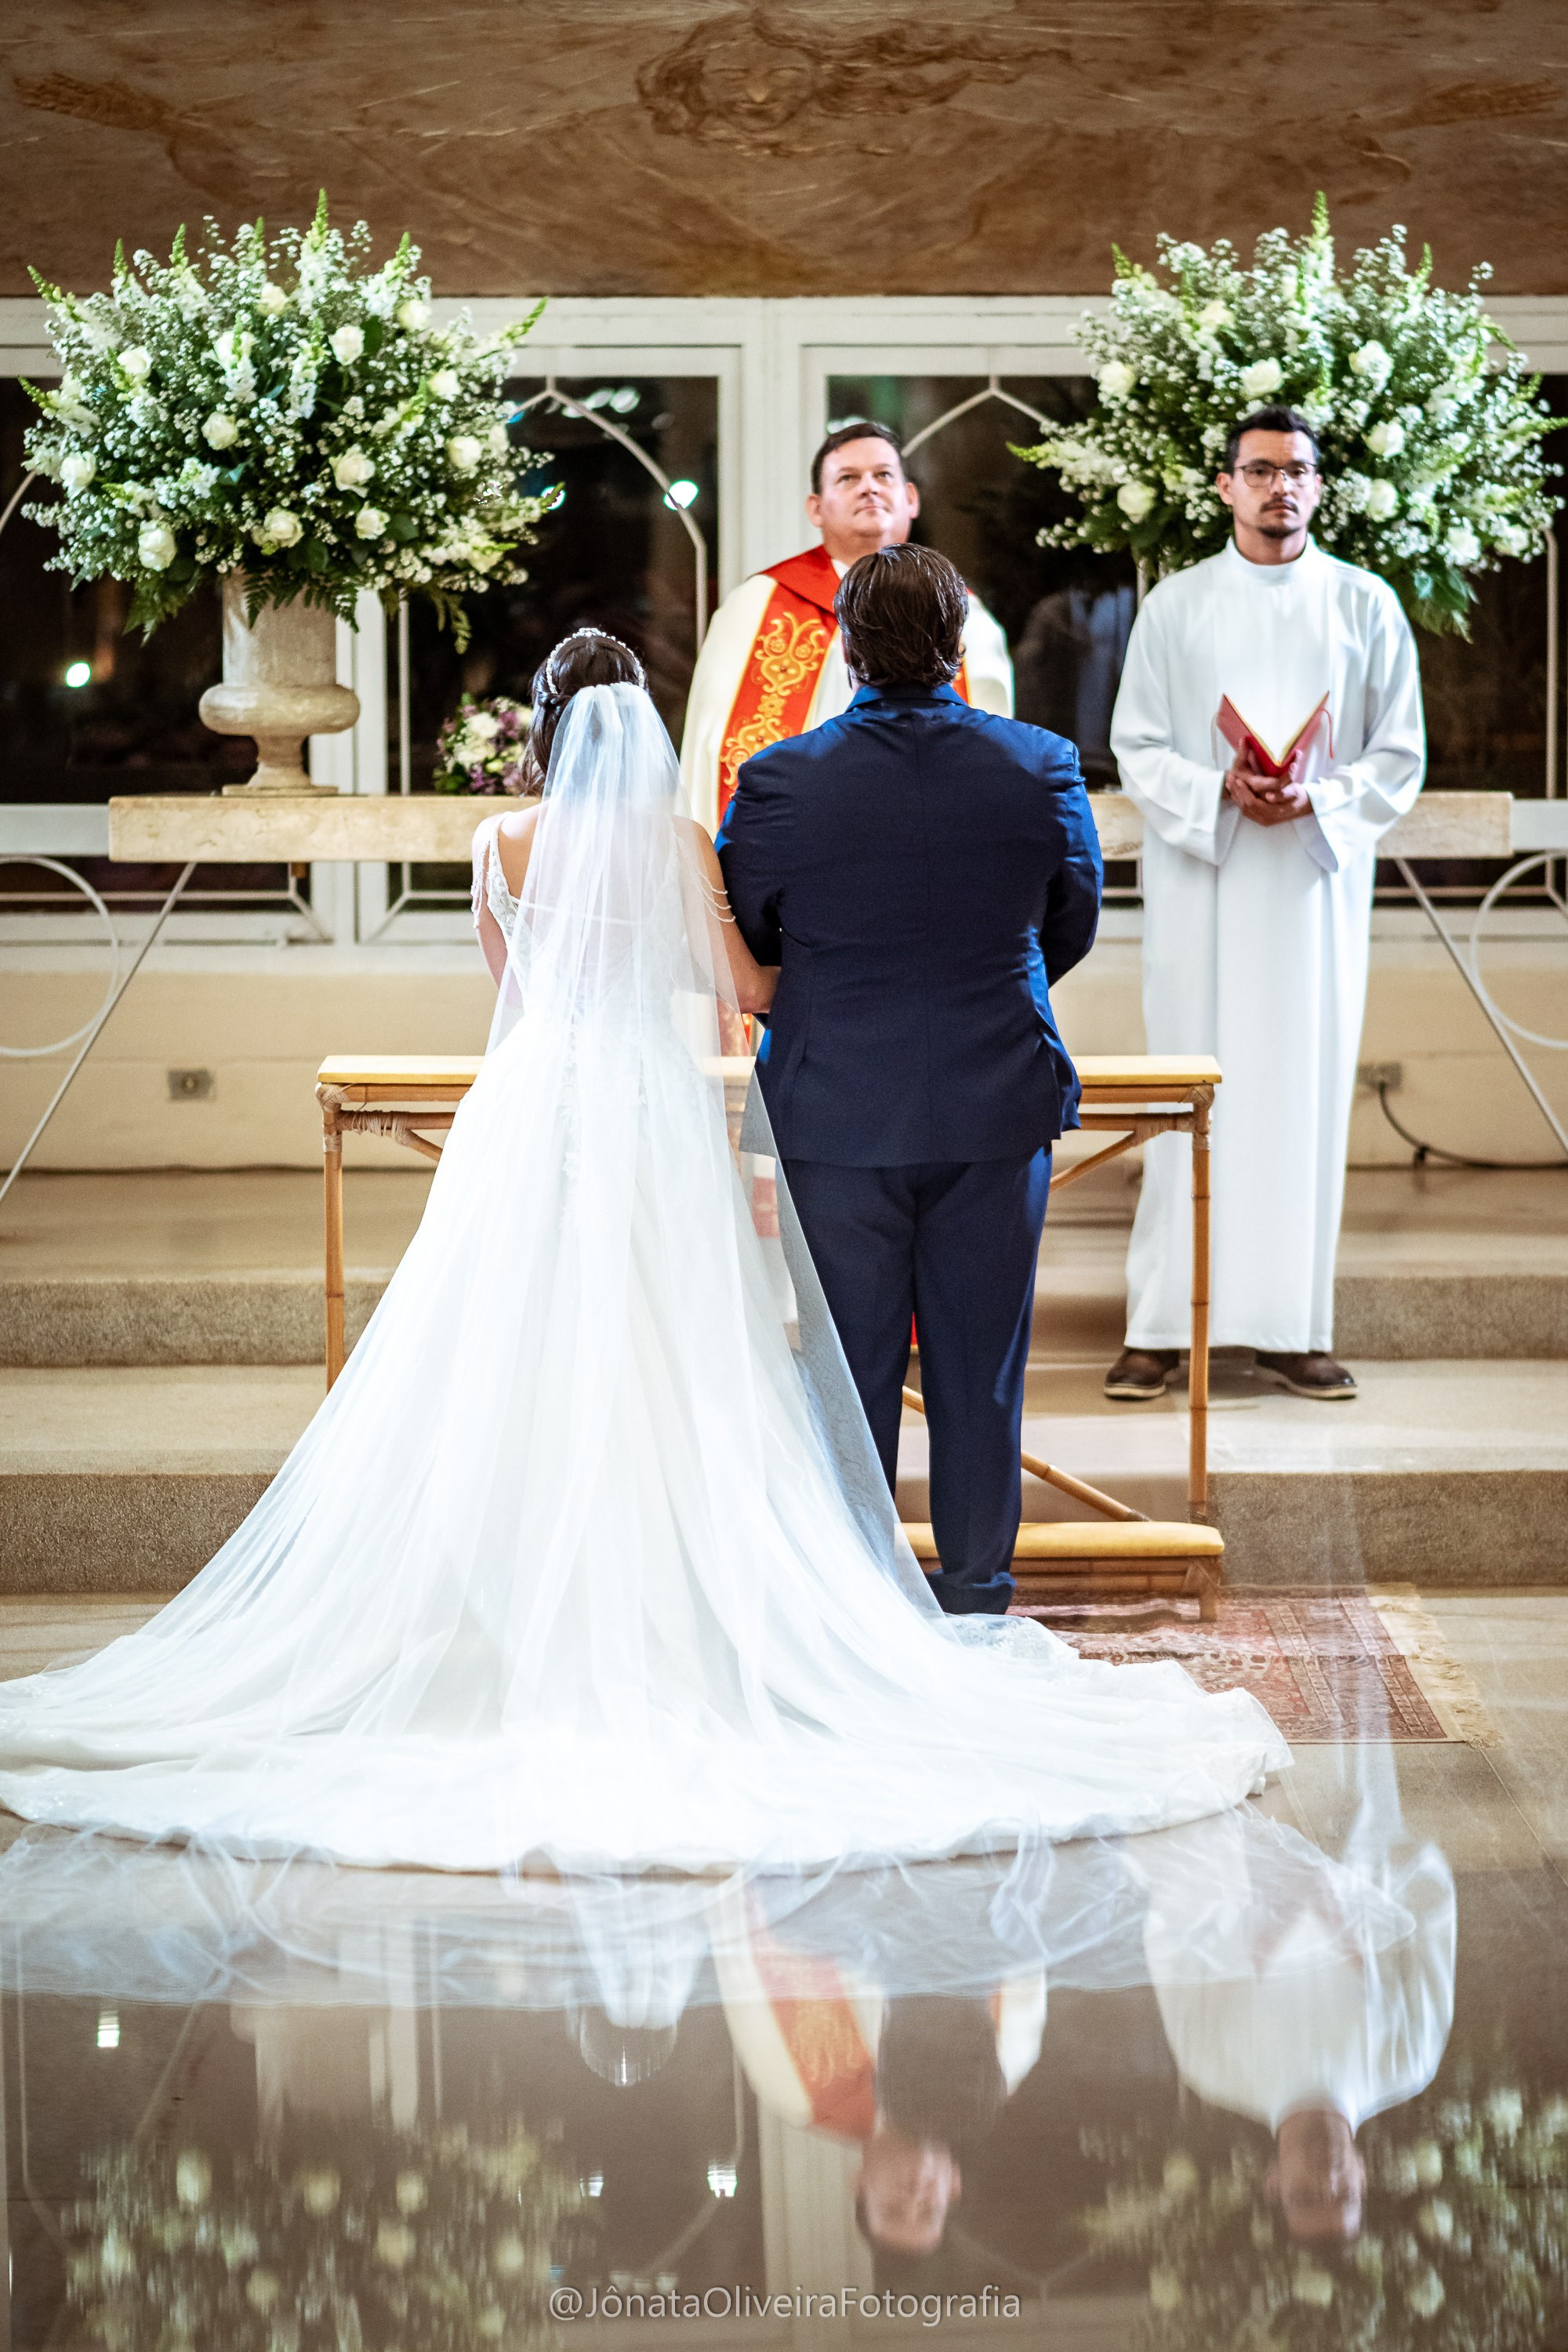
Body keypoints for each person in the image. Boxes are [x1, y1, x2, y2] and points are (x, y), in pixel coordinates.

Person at [0, 630, 1287, 1875]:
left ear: (548, 729)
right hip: (649, 1111)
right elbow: (751, 992)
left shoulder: (499, 838)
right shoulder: (676, 842)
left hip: (531, 1111)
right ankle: (693, 1609)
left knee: (507, 1351)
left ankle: (502, 1615)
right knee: (676, 1358)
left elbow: (511, 983)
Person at [718, 547, 1100, 1616]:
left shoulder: (781, 781)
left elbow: (752, 935)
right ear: (959, 638)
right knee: (981, 1369)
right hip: (995, 1100)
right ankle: (978, 1595)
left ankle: (855, 1608)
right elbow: (1070, 919)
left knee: (846, 1374)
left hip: (836, 1103)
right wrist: (981, 985)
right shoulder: (1040, 764)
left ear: (844, 642)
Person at [1105, 406, 1425, 1403]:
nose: (1278, 486)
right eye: (1258, 471)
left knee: (1300, 1095)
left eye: (1295, 471)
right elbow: (1137, 744)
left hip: (1307, 895)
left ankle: (1292, 1327)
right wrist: (1219, 790)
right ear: (1223, 487)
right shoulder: (1175, 606)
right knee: (1182, 1093)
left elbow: (1397, 752)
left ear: (1319, 488)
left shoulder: (1363, 604)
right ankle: (1159, 1327)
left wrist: (1316, 795)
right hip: (1203, 882)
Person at [679, 419, 1014, 833]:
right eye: (848, 478)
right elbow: (715, 750)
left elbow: (997, 751)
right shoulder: (757, 604)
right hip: (799, 841)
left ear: (910, 498)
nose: (869, 487)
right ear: (816, 508)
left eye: (883, 475)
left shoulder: (964, 613)